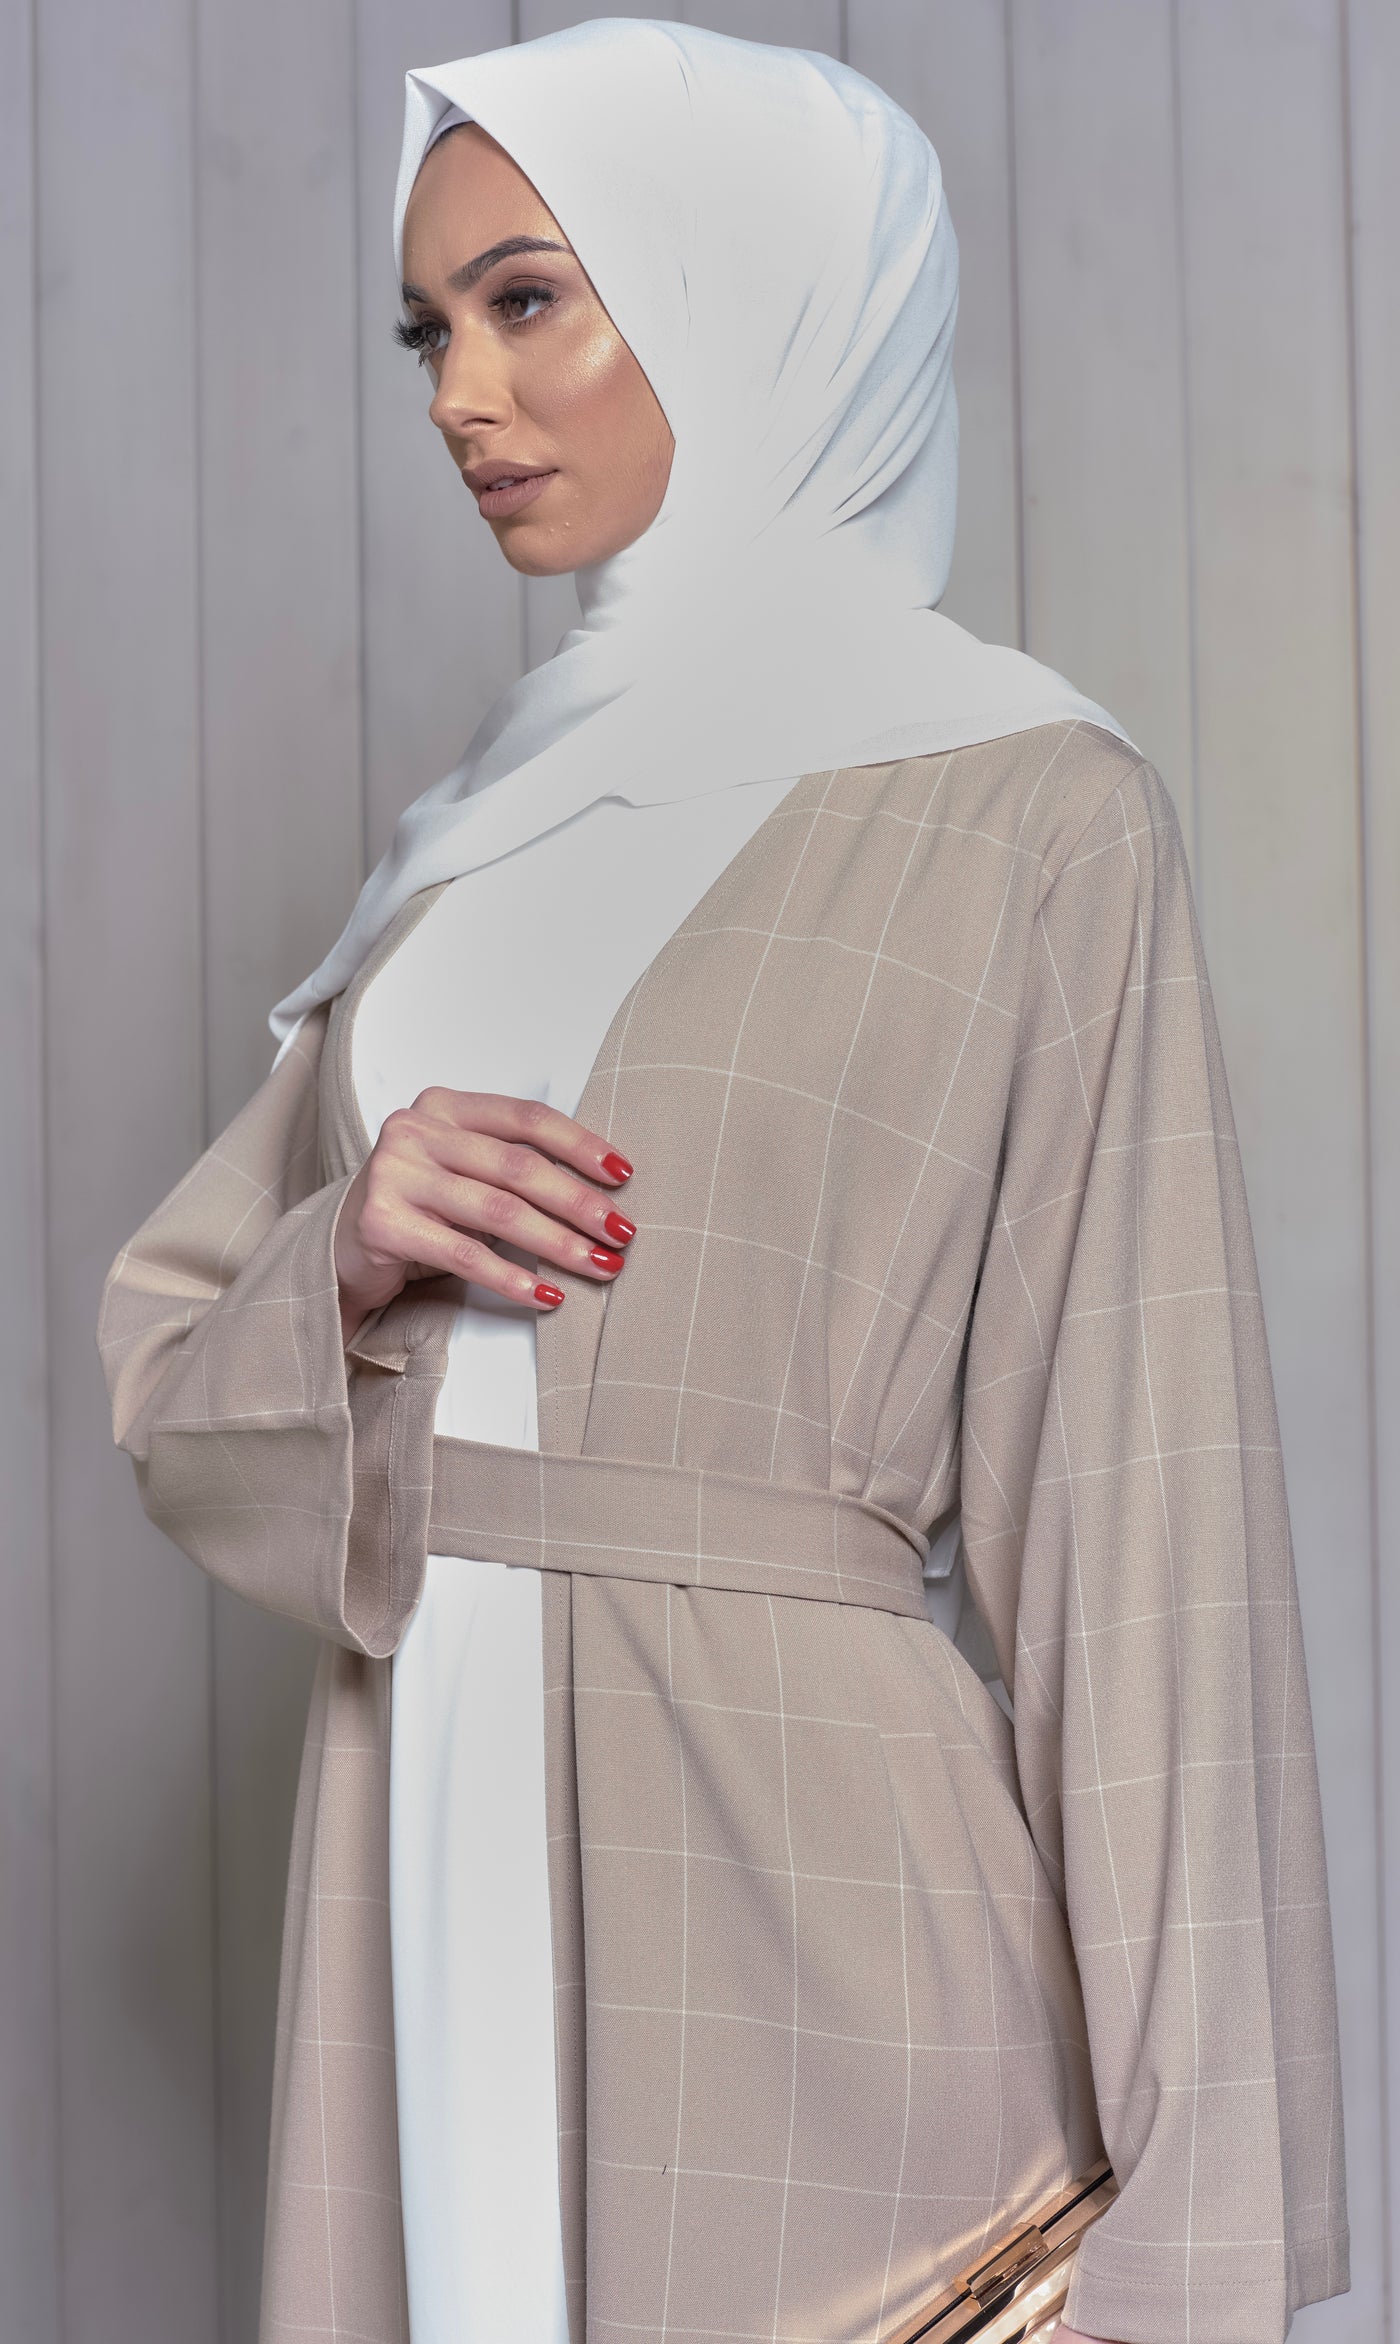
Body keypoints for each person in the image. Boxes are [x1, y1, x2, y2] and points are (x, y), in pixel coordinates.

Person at [98, 20, 1349, 2344]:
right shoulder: (467, 853)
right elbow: (180, 1388)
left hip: (816, 1922)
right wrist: (343, 1250)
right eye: (426, 329)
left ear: (750, 284)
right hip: (425, 1840)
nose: (461, 392)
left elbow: (1146, 1547)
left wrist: (1195, 2250)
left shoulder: (1029, 806)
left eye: (526, 299)